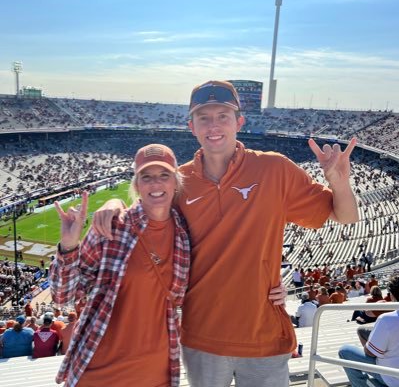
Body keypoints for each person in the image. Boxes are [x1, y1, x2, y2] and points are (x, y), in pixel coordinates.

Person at [93, 80, 358, 386]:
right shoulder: (179, 182)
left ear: (239, 122)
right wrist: (114, 202)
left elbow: (345, 216)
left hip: (263, 334)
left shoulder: (275, 169)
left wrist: (339, 182)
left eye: (223, 116)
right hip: (202, 337)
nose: (213, 125)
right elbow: (141, 219)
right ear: (192, 126)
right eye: (204, 118)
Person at [50, 144, 191, 387]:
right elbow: (63, 297)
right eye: (146, 177)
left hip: (157, 373)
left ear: (175, 182)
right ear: (136, 185)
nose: (156, 184)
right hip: (99, 372)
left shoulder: (185, 232)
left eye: (164, 175)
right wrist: (69, 246)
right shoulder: (112, 225)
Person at [339, 275, 399, 387]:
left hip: (392, 377)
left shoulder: (386, 319)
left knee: (345, 351)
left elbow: (369, 352)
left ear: (392, 295)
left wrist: (369, 346)